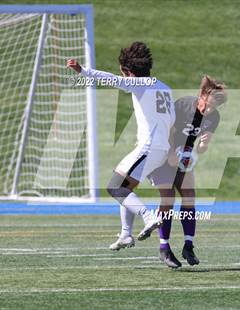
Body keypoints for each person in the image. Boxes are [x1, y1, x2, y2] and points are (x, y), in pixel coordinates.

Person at [67, 42, 175, 250]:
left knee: (114, 186)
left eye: (124, 73)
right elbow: (171, 119)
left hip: (149, 147)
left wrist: (84, 71)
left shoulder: (139, 83)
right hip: (160, 148)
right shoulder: (164, 87)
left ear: (128, 71)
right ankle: (126, 234)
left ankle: (148, 216)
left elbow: (114, 80)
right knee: (126, 189)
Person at [148, 75, 227, 268]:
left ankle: (188, 246)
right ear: (202, 95)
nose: (209, 110)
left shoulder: (213, 117)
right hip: (163, 153)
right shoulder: (183, 104)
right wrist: (170, 153)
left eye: (214, 108)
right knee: (168, 199)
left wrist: (203, 145)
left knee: (189, 196)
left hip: (183, 157)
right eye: (207, 105)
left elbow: (199, 148)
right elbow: (168, 129)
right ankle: (164, 248)